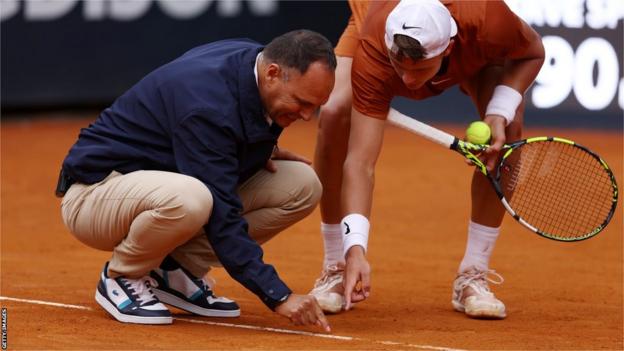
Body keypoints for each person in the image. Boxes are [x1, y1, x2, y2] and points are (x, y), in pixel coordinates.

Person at [57, 29, 336, 331]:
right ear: (272, 73)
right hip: (94, 192)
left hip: (155, 184)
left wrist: (260, 150)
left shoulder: (253, 63)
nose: (308, 116)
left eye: (315, 106)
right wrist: (278, 295)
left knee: (302, 185)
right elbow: (222, 213)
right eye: (302, 102)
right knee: (195, 199)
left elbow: (230, 129)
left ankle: (173, 271)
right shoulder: (207, 106)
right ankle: (122, 276)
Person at [310, 0, 544, 319]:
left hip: (471, 49)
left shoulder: (488, 19)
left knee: (508, 133)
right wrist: (356, 249)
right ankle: (336, 266)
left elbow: (532, 52)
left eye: (418, 69)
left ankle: (473, 274)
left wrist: (498, 112)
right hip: (376, 29)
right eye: (400, 64)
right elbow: (360, 163)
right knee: (335, 112)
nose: (407, 79)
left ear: (447, 48)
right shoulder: (377, 45)